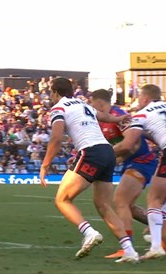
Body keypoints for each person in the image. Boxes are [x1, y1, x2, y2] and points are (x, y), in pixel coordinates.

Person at [39, 78, 139, 263]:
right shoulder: (81, 104)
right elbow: (103, 116)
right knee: (104, 206)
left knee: (62, 200)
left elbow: (56, 137)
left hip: (91, 152)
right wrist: (118, 119)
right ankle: (130, 250)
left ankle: (89, 232)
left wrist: (45, 165)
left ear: (54, 92)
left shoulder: (59, 108)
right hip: (108, 152)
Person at [88, 89, 157, 259]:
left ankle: (127, 247)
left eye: (92, 103)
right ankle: (160, 226)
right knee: (129, 208)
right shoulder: (106, 119)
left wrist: (107, 158)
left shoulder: (119, 116)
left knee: (120, 200)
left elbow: (131, 146)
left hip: (142, 162)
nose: (91, 107)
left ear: (98, 102)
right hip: (133, 163)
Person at [114, 84, 166, 259]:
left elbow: (128, 144)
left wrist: (102, 153)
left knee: (154, 199)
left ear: (145, 99)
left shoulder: (143, 114)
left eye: (138, 98)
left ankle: (156, 247)